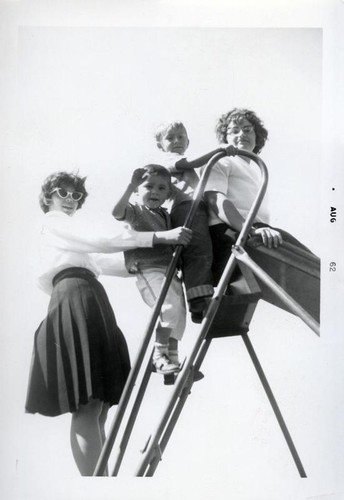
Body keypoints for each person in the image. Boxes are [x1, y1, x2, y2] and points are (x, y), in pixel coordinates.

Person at [25, 171, 192, 476]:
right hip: (75, 295)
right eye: (63, 193)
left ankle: (103, 477)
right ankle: (97, 484)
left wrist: (152, 261)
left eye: (76, 196)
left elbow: (108, 262)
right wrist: (158, 237)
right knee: (88, 405)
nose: (70, 201)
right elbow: (100, 242)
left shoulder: (67, 241)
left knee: (100, 406)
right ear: (48, 196)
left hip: (89, 294)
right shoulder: (52, 222)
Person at [203, 107, 313, 286]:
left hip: (252, 229)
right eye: (234, 131)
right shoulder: (223, 160)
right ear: (225, 139)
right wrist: (251, 230)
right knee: (309, 265)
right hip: (233, 231)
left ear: (257, 136)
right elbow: (214, 198)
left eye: (247, 130)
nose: (241, 135)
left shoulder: (255, 170)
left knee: (308, 261)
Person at [112, 164, 189, 376]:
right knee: (168, 308)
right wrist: (130, 187)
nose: (155, 192)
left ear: (168, 194)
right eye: (149, 186)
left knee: (180, 316)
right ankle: (158, 357)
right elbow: (117, 212)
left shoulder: (165, 215)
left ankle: (172, 359)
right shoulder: (136, 211)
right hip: (148, 268)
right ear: (139, 189)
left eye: (162, 189)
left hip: (170, 270)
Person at [154, 121, 215, 322]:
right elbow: (189, 164)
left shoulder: (178, 156)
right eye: (170, 138)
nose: (177, 141)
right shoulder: (169, 159)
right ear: (160, 145)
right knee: (197, 249)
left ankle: (202, 296)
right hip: (186, 207)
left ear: (188, 140)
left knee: (203, 249)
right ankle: (198, 301)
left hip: (196, 206)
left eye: (181, 137)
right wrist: (218, 152)